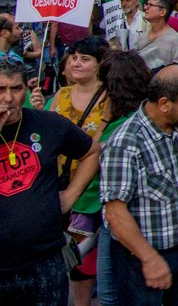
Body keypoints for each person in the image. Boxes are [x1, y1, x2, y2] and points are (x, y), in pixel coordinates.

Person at [101, 66, 178, 306]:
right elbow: (114, 212)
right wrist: (149, 259)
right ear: (164, 103)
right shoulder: (125, 143)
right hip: (139, 260)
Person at [0, 57, 100, 306]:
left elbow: (91, 152)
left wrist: (70, 195)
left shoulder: (47, 123)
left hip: (46, 262)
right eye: (1, 89)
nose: (9, 98)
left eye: (16, 88)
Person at [47, 37, 110, 306]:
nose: (76, 62)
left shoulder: (110, 97)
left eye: (85, 58)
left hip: (95, 188)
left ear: (99, 65)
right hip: (59, 185)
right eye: (73, 57)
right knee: (66, 255)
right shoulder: (59, 96)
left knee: (86, 257)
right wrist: (39, 110)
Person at [90, 52, 152, 306]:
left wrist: (104, 121)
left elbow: (92, 156)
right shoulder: (144, 116)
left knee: (109, 295)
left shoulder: (121, 128)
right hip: (130, 219)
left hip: (121, 219)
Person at [135, 0, 178, 70]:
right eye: (146, 4)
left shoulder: (175, 39)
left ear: (162, 12)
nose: (145, 7)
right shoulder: (142, 36)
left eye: (150, 5)